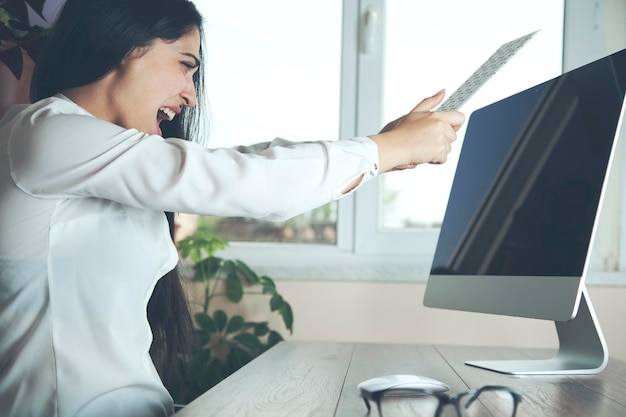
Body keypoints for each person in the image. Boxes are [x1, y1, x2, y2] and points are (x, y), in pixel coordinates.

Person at [0, 0, 465, 416]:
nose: (191, 95)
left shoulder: (102, 160)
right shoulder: (42, 133)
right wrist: (383, 150)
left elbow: (242, 163)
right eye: (185, 65)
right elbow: (242, 180)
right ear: (126, 45)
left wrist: (380, 148)